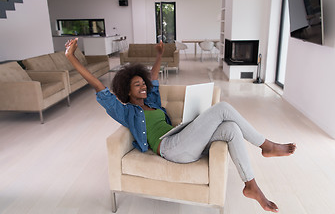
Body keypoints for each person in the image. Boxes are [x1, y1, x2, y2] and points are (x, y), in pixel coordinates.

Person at [65, 38, 296, 213]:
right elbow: (99, 87)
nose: (143, 87)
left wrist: (159, 54)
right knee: (223, 108)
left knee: (231, 129)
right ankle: (266, 145)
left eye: (143, 84)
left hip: (183, 140)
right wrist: (72, 58)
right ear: (127, 91)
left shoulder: (153, 103)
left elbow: (153, 77)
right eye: (137, 86)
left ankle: (251, 185)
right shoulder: (126, 112)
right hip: (170, 148)